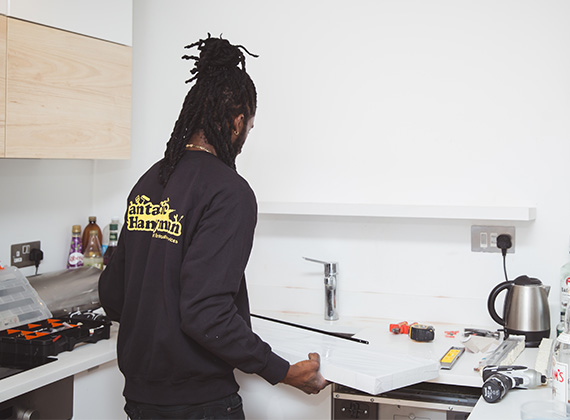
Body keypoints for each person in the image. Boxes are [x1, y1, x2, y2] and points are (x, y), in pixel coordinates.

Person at [98, 34, 328, 420]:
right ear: (238, 122)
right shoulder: (230, 192)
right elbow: (206, 312)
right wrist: (282, 371)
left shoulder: (149, 182)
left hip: (140, 400)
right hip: (199, 405)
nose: (245, 137)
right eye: (250, 127)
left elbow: (114, 294)